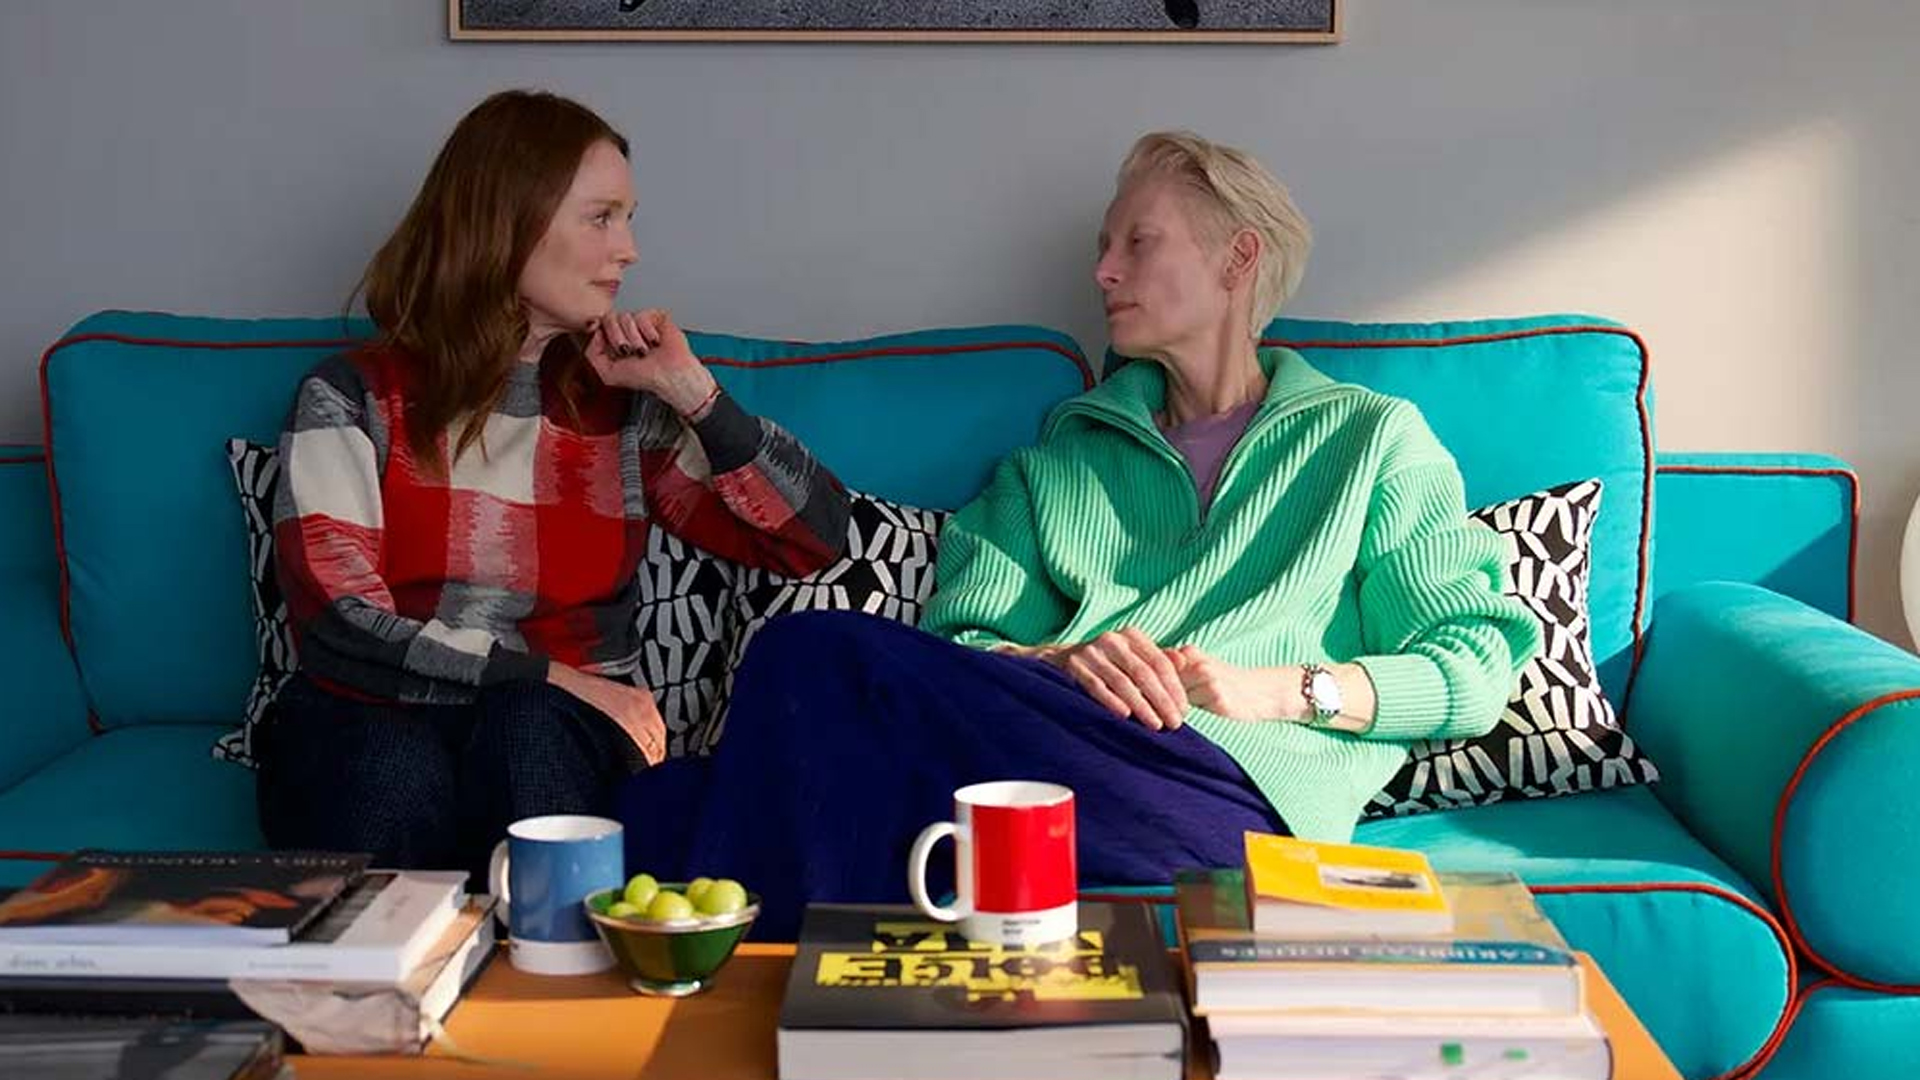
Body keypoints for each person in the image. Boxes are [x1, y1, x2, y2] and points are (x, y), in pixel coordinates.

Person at [621, 131, 1540, 940]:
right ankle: (832, 1011)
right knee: (702, 763)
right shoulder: (1058, 460)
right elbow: (961, 648)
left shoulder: (1370, 440)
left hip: (1232, 796)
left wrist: (1282, 689)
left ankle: (745, 997)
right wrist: (1060, 662)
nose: (1103, 271)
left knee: (784, 698)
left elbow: (1473, 666)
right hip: (1058, 759)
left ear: (1237, 259)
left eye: (1138, 242)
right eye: (1105, 247)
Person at [255, 90, 851, 885]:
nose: (629, 250)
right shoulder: (350, 397)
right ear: (508, 223)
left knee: (527, 729)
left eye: (628, 219)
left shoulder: (622, 408)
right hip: (376, 713)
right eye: (601, 218)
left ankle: (549, 958)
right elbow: (340, 628)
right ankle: (396, 960)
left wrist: (694, 395)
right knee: (391, 758)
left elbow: (813, 540)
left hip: (552, 732)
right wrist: (550, 674)